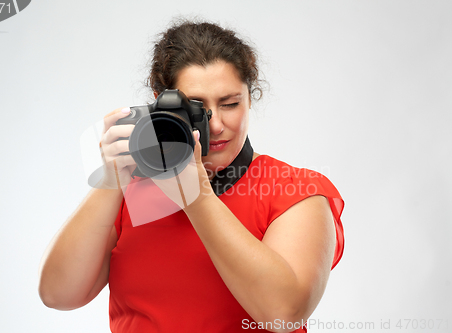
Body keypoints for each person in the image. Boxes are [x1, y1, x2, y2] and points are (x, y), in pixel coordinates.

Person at [38, 20, 345, 333]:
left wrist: (197, 197)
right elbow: (57, 294)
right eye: (196, 109)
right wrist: (111, 180)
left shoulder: (295, 190)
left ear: (250, 98)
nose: (214, 126)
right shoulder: (132, 190)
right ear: (161, 104)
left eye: (230, 104)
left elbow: (284, 313)